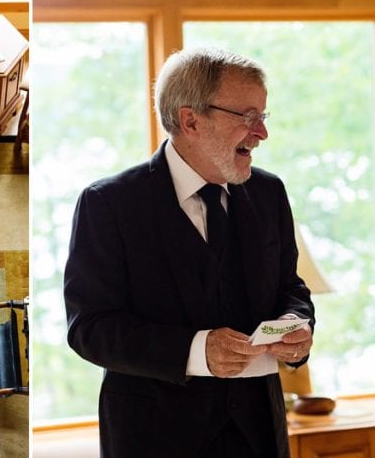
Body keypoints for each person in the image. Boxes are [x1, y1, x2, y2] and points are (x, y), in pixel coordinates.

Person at [64, 47, 315, 458]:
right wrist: (197, 351)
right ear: (190, 120)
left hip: (259, 435)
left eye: (263, 117)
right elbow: (89, 329)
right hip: (153, 439)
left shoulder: (270, 193)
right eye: (247, 118)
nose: (261, 133)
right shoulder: (109, 204)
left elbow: (291, 287)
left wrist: (295, 321)